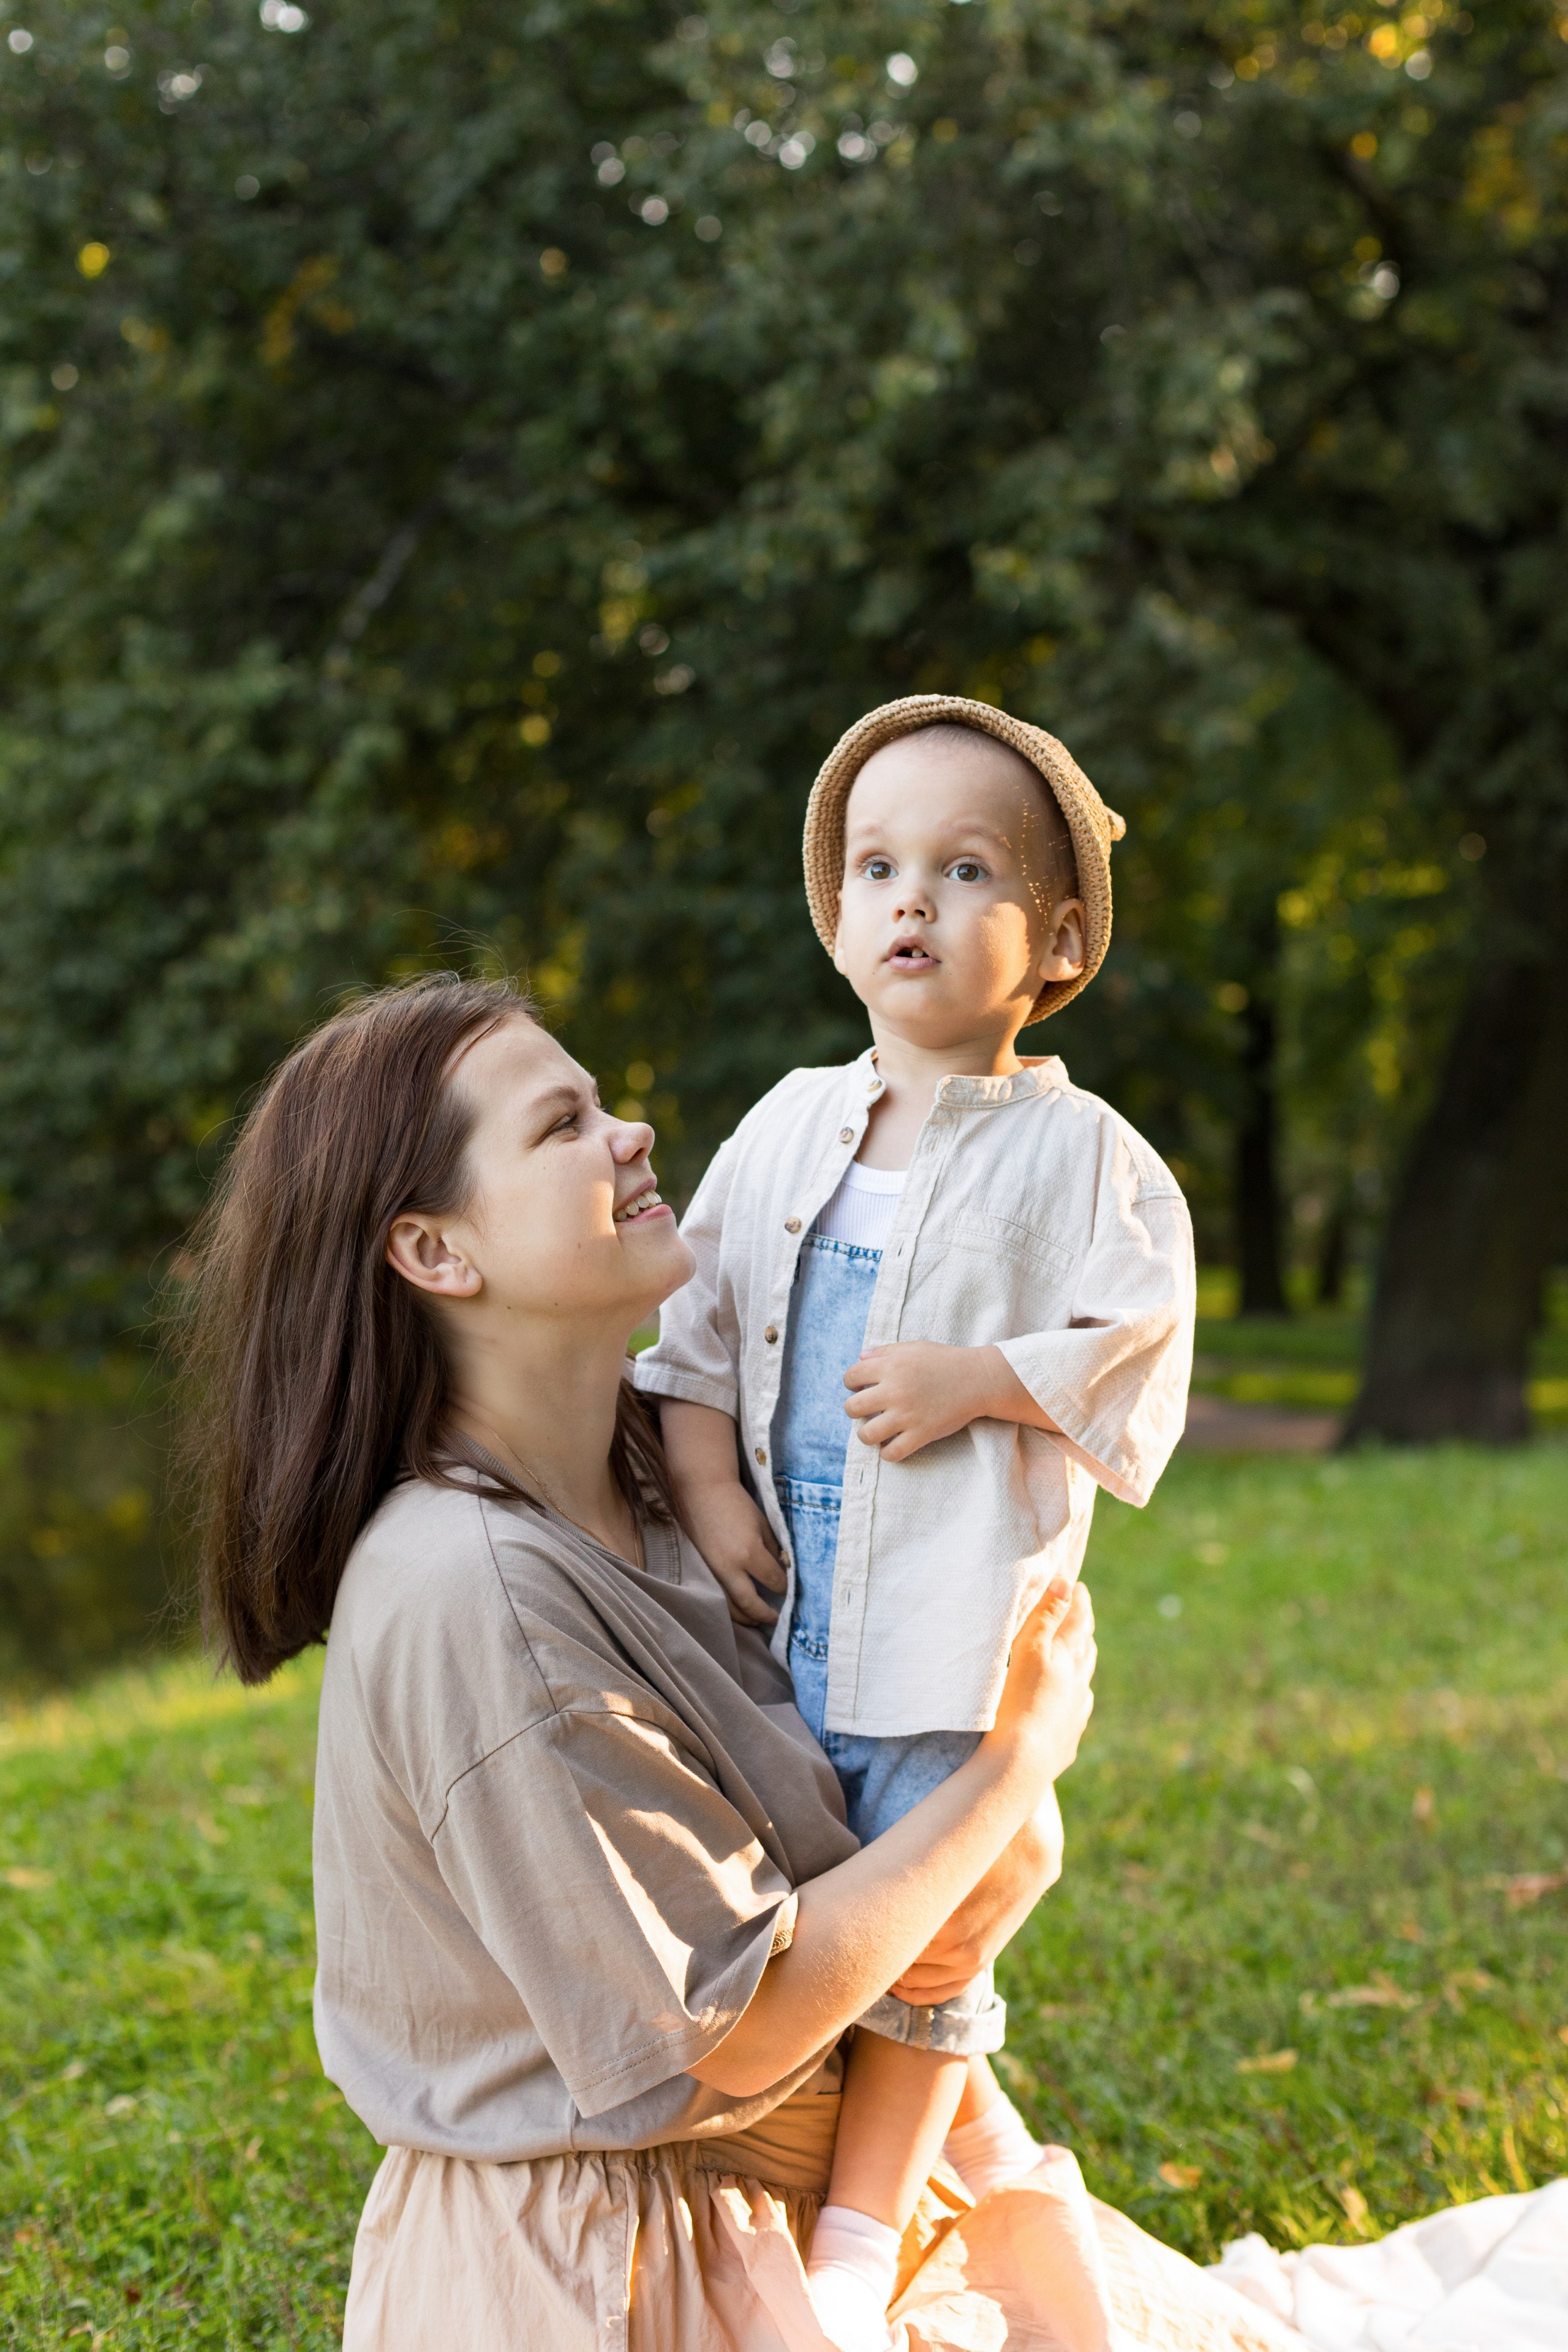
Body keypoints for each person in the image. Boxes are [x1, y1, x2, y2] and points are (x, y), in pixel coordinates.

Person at [172, 973, 1283, 2352]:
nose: (631, 1132)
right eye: (564, 1125)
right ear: (435, 1252)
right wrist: (1010, 1769)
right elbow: (732, 2030)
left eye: (603, 1104)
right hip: (629, 2262)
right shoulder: (476, 1593)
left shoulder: (679, 1473)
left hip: (823, 2182)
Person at [635, 695, 1196, 2346]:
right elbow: (693, 1332)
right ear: (834, 914)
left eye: (964, 871)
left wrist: (983, 1380)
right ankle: (802, 2161)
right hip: (781, 1600)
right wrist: (711, 1488)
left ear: (1058, 940)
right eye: (876, 868)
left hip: (955, 1614)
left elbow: (1138, 1340)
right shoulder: (784, 1124)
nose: (911, 902)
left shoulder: (1082, 1157)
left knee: (933, 1924)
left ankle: (861, 2236)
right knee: (805, 1892)